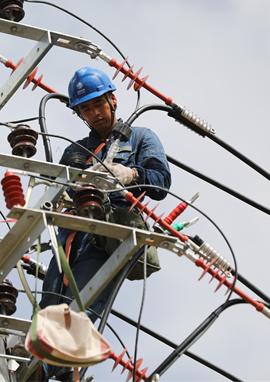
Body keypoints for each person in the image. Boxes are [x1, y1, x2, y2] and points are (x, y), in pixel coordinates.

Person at [39, 67, 171, 382]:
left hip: (110, 234)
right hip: (72, 233)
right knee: (48, 309)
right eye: (86, 108)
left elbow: (161, 183)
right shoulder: (76, 150)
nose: (95, 113)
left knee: (81, 303)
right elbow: (65, 185)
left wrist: (133, 174)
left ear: (113, 99)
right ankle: (44, 368)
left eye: (98, 104)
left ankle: (60, 369)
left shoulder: (140, 137)